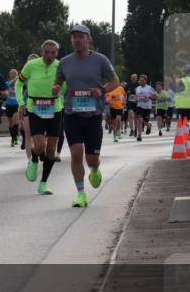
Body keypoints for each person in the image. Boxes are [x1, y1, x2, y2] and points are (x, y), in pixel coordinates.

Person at [52, 24, 119, 208]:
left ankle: (95, 169)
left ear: (89, 39)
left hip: (93, 115)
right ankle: (81, 194)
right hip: (71, 114)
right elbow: (57, 82)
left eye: (81, 36)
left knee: (91, 159)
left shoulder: (101, 60)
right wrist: (55, 87)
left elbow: (115, 82)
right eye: (74, 37)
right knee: (75, 153)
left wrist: (102, 90)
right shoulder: (65, 62)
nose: (77, 40)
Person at [17, 41, 62, 195]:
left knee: (50, 149)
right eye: (47, 52)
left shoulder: (60, 66)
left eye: (53, 53)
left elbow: (67, 86)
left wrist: (60, 89)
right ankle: (34, 160)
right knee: (39, 146)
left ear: (57, 53)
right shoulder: (31, 65)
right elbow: (18, 84)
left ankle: (43, 183)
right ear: (42, 51)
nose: (49, 56)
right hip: (35, 109)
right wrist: (21, 102)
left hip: (55, 108)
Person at [18, 52, 40, 151]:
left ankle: (40, 149)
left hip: (43, 106)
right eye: (28, 61)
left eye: (32, 61)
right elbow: (17, 87)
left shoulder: (43, 74)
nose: (30, 63)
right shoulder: (24, 75)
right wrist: (20, 104)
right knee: (28, 134)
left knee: (40, 134)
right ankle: (30, 161)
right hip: (27, 105)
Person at [133, 74, 155, 141]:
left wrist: (149, 98)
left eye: (142, 80)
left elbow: (155, 97)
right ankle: (139, 135)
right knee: (139, 120)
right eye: (140, 80)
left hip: (147, 107)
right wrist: (136, 99)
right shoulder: (137, 88)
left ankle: (148, 125)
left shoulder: (149, 88)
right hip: (139, 106)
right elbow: (136, 98)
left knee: (144, 121)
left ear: (145, 81)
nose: (141, 81)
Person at [4, 68, 21, 147]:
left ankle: (15, 138)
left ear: (17, 74)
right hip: (8, 104)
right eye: (11, 73)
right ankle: (13, 138)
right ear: (9, 75)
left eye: (14, 73)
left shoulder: (20, 83)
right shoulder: (7, 83)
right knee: (11, 123)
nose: (13, 74)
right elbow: (10, 84)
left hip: (16, 104)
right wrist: (15, 79)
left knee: (15, 120)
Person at [123, 72, 139, 137]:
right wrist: (124, 101)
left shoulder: (138, 85)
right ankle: (131, 130)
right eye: (132, 77)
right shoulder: (128, 85)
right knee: (130, 114)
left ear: (136, 78)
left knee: (135, 117)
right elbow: (124, 93)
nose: (132, 78)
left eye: (134, 77)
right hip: (129, 102)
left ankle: (135, 130)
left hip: (136, 103)